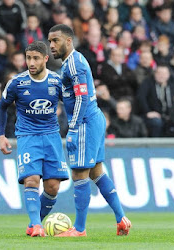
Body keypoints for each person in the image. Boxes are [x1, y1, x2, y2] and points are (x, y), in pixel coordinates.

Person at [48, 24, 131, 237]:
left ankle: (80, 229)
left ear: (68, 41)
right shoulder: (70, 64)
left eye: (55, 40)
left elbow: (82, 98)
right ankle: (121, 218)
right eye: (49, 41)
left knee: (79, 173)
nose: (51, 45)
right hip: (92, 120)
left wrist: (74, 127)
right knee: (96, 172)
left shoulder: (74, 63)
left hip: (85, 122)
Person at [0, 41, 69, 237]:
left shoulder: (56, 81)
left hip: (52, 136)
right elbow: (2, 107)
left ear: (46, 58)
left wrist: (75, 129)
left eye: (36, 58)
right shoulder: (17, 83)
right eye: (28, 58)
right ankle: (37, 226)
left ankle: (33, 223)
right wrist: (2, 136)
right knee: (31, 180)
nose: (31, 62)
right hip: (28, 136)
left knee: (53, 187)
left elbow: (71, 106)